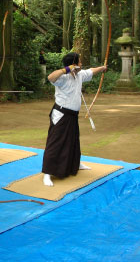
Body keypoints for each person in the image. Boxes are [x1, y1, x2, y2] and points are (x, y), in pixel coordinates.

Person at [42, 52, 107, 186]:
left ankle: (75, 163)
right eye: (79, 62)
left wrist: (102, 68)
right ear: (73, 64)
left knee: (73, 141)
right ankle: (47, 173)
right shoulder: (63, 77)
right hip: (60, 114)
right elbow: (50, 77)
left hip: (72, 115)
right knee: (55, 142)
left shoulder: (80, 75)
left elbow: (91, 71)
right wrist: (66, 69)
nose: (81, 64)